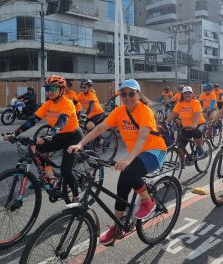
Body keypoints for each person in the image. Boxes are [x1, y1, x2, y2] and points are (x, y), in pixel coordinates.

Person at [68, 79, 167, 246]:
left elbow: (143, 137)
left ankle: (148, 201)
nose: (127, 97)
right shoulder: (120, 111)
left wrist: (128, 159)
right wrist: (81, 144)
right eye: (123, 94)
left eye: (131, 93)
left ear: (138, 94)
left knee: (129, 171)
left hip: (155, 152)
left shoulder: (145, 111)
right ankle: (117, 227)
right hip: (136, 154)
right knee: (122, 185)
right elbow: (99, 128)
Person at [4, 75, 82, 202]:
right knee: (34, 148)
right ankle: (51, 178)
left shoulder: (67, 103)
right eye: (47, 88)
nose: (49, 91)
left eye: (53, 88)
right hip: (58, 136)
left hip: (72, 137)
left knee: (66, 170)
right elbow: (33, 121)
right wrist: (15, 133)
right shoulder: (48, 104)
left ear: (62, 90)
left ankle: (76, 196)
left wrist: (49, 135)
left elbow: (61, 122)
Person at [166, 86, 206, 166]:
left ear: (192, 94)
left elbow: (196, 114)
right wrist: (166, 122)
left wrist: (194, 124)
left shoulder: (196, 102)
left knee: (196, 133)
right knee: (180, 145)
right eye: (185, 93)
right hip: (186, 127)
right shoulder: (180, 103)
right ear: (183, 95)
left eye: (189, 93)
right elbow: (173, 113)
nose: (187, 95)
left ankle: (199, 148)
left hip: (198, 125)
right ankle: (182, 163)